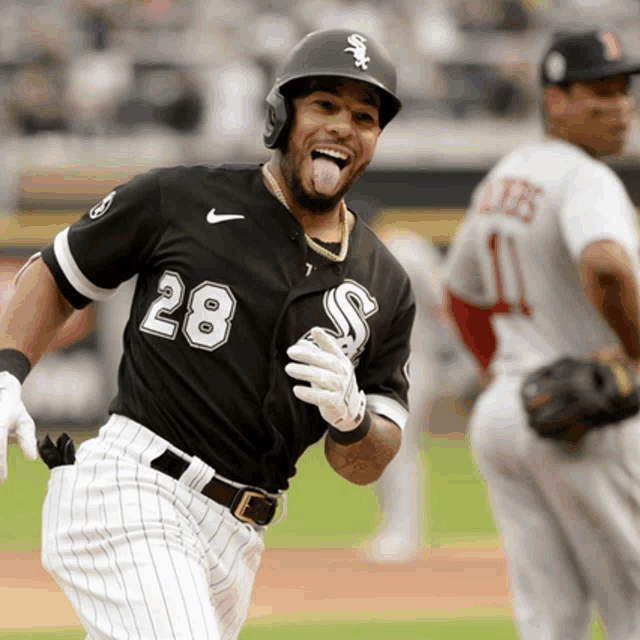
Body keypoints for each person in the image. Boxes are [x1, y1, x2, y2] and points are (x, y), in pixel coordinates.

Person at [0, 28, 415, 640]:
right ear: (281, 114)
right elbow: (59, 274)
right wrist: (6, 376)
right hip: (132, 488)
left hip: (239, 535)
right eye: (324, 105)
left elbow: (362, 466)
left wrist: (352, 418)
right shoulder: (181, 197)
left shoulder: (386, 282)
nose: (343, 127)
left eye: (364, 116)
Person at [444, 30, 640, 640]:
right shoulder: (587, 179)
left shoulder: (505, 177)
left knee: (550, 622)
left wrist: (497, 372)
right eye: (599, 92)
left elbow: (460, 291)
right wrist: (636, 352)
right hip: (584, 415)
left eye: (624, 91)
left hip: (508, 415)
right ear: (555, 99)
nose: (620, 107)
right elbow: (606, 265)